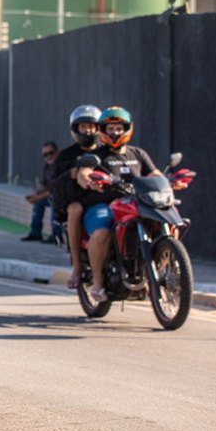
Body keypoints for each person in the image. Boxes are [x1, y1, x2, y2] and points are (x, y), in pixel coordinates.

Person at [76, 106, 163, 302]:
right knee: (101, 233)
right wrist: (88, 180)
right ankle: (98, 283)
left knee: (162, 220)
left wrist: (168, 181)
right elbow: (84, 172)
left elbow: (154, 174)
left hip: (135, 204)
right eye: (110, 129)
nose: (115, 132)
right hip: (103, 206)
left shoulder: (138, 154)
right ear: (103, 131)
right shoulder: (97, 155)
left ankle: (159, 266)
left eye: (118, 128)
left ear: (127, 129)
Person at [50, 104, 102, 288]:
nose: (88, 130)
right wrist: (70, 173)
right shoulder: (66, 155)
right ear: (76, 129)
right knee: (75, 209)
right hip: (78, 200)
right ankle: (77, 266)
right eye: (83, 126)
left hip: (104, 198)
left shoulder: (105, 152)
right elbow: (53, 183)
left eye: (91, 126)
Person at [22, 141, 59, 242]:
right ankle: (35, 232)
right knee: (38, 203)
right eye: (45, 155)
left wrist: (38, 197)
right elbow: (45, 186)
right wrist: (35, 194)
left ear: (57, 152)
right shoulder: (47, 167)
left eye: (51, 153)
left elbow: (55, 190)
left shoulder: (60, 166)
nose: (48, 157)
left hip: (61, 197)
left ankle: (56, 235)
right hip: (51, 195)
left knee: (53, 200)